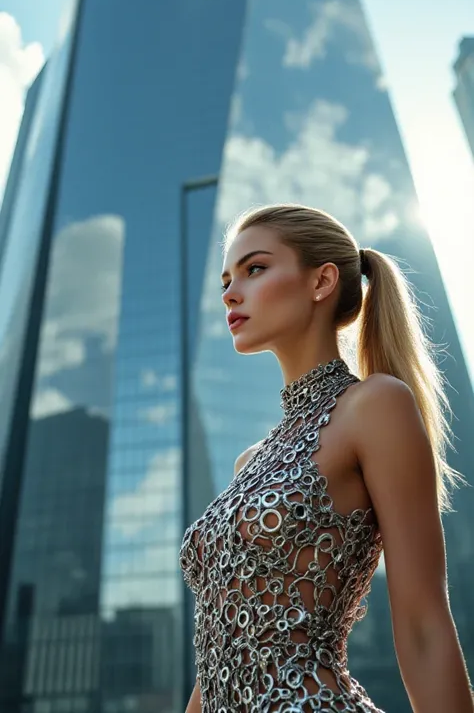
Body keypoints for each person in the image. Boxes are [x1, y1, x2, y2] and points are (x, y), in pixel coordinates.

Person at [180, 203, 473, 712]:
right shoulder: (249, 463)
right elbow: (218, 661)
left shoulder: (375, 405)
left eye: (255, 269)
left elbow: (424, 625)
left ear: (322, 282)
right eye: (227, 278)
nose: (230, 291)